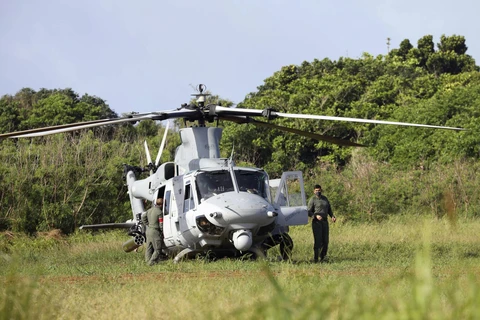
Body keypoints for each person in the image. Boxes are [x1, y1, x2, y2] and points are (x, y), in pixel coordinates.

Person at [307, 184, 336, 263]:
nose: (318, 192)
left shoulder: (325, 199)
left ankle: (323, 257)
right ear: (314, 191)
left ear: (321, 190)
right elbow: (308, 211)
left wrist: (332, 216)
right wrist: (315, 216)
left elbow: (329, 209)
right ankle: (316, 258)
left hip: (325, 222)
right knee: (318, 241)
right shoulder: (312, 200)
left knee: (325, 240)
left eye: (319, 190)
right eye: (316, 191)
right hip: (317, 222)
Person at [141, 197, 165, 265]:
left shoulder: (149, 210)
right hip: (155, 232)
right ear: (161, 205)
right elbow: (161, 224)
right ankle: (151, 262)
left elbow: (143, 217)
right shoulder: (159, 212)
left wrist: (147, 224)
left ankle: (147, 261)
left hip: (148, 231)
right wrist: (162, 232)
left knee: (149, 248)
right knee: (158, 249)